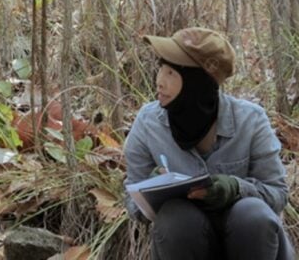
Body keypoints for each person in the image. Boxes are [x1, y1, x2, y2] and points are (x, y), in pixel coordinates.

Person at [124, 27, 293, 260]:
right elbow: (132, 205)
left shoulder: (251, 120)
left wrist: (235, 188)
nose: (159, 81)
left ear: (198, 81)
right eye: (160, 69)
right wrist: (152, 191)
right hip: (185, 241)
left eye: (171, 73)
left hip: (250, 243)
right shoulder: (148, 123)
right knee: (175, 219)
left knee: (252, 214)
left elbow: (277, 193)